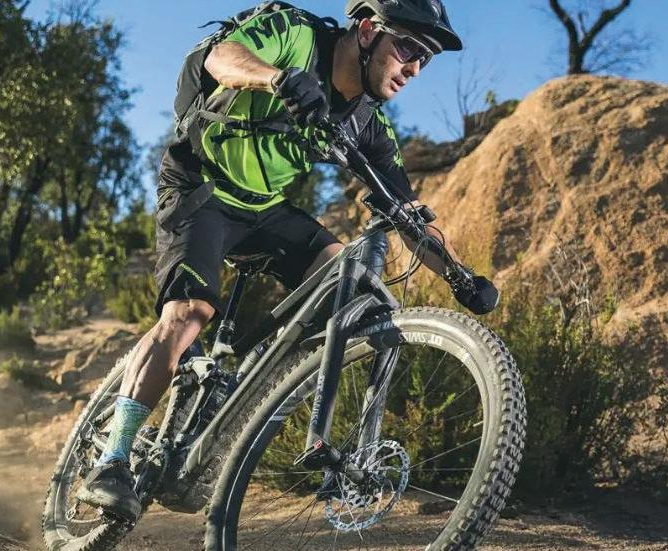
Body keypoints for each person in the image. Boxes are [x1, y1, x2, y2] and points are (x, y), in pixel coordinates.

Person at [77, 0, 498, 522]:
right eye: (408, 48)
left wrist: (459, 274)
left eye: (425, 60)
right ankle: (112, 461)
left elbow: (409, 215)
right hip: (200, 187)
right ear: (368, 31)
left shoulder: (367, 125)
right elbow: (222, 57)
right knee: (189, 314)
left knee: (349, 284)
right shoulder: (295, 34)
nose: (414, 68)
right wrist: (278, 79)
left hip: (265, 208)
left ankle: (240, 402)